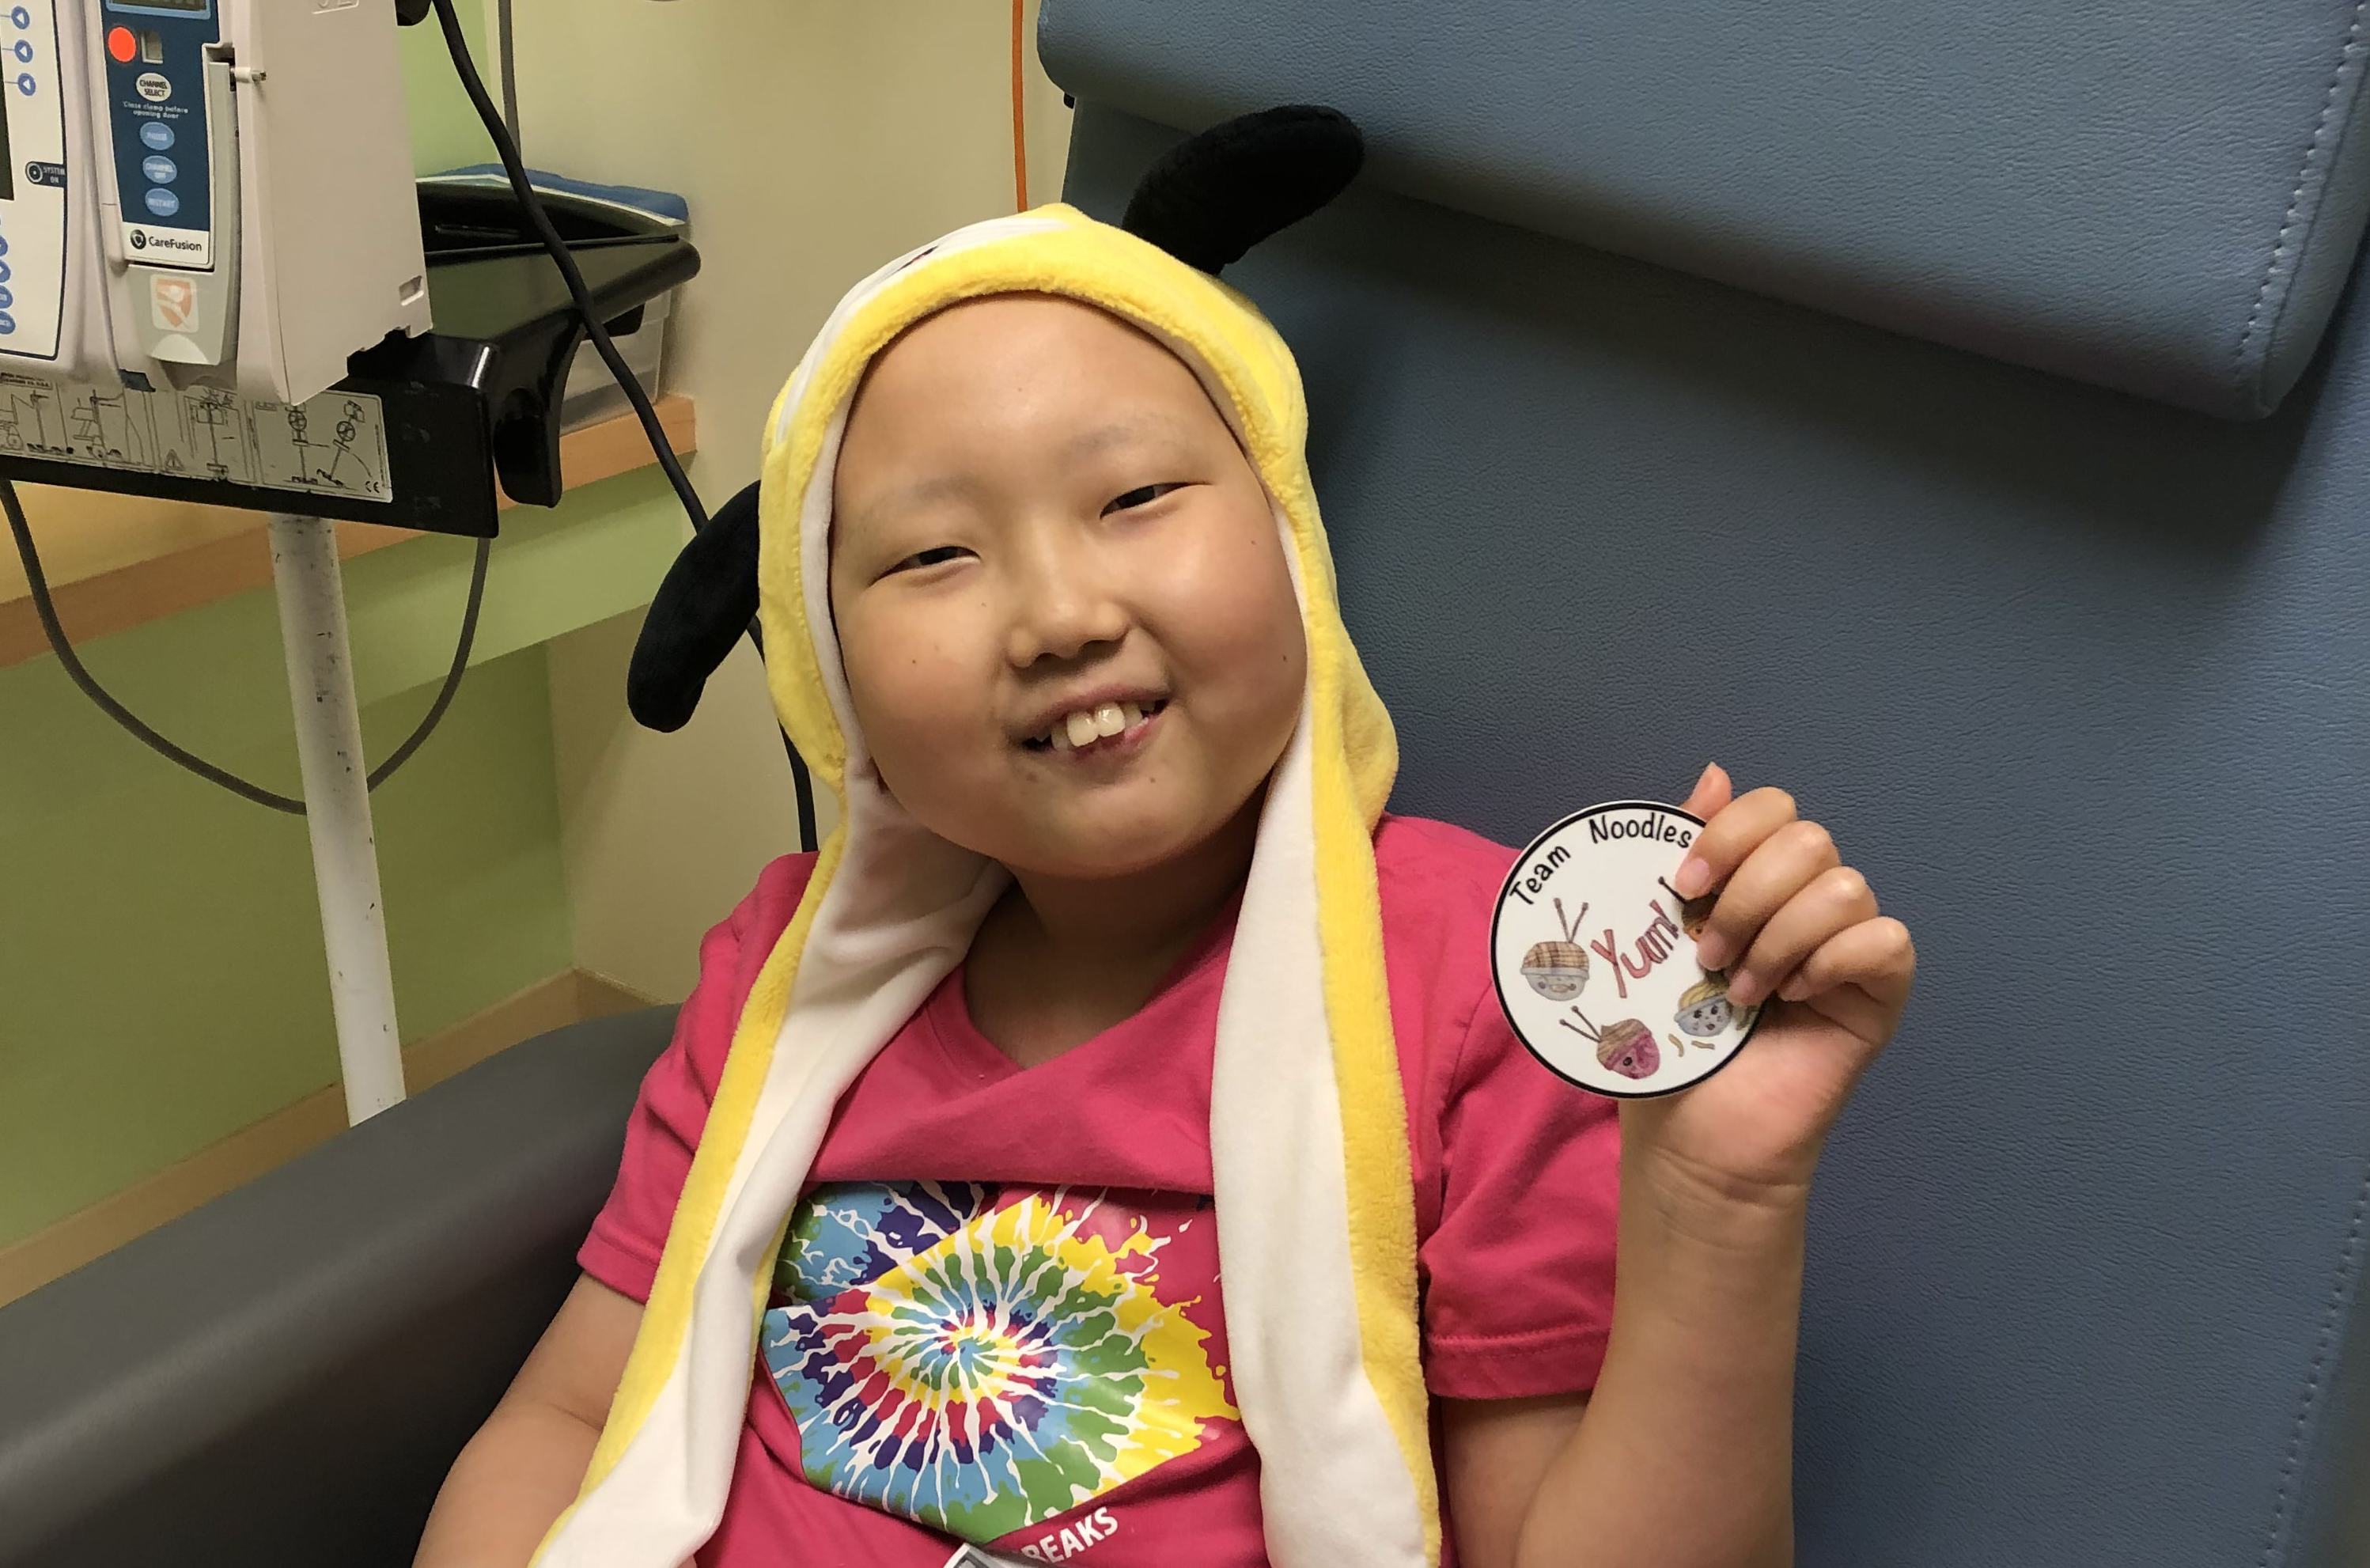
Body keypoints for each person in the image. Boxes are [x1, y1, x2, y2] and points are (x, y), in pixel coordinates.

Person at [413, 110, 1914, 1568]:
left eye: (1134, 495)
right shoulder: (779, 977)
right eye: (935, 555)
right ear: (832, 676)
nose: (1062, 615)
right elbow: (567, 1416)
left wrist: (1717, 1205)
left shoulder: (1491, 986)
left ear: (1288, 537)